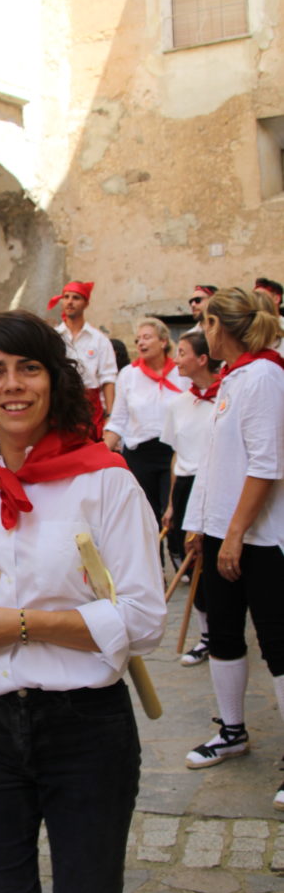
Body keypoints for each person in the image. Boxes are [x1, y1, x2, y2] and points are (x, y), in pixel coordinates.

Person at [0, 310, 166, 893]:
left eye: (28, 368)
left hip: (84, 727)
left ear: (55, 377)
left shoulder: (105, 482)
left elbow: (144, 619)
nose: (12, 385)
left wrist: (23, 626)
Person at [181, 288, 284, 811]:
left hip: (261, 538)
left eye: (206, 322)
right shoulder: (236, 377)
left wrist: (237, 532)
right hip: (225, 532)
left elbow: (267, 463)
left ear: (219, 325)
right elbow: (217, 463)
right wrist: (200, 525)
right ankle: (232, 731)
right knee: (222, 633)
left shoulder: (264, 375)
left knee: (278, 645)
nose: (203, 331)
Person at [160, 332, 221, 666]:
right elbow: (177, 457)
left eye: (182, 353)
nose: (176, 359)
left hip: (218, 483)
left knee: (221, 560)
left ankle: (228, 628)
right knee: (193, 561)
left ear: (202, 358)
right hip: (186, 487)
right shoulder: (177, 404)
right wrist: (172, 503)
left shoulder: (228, 396)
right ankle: (207, 634)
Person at [104, 317, 188, 534]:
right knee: (145, 519)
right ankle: (153, 557)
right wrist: (101, 454)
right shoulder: (129, 375)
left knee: (174, 517)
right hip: (140, 454)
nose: (140, 342)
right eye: (138, 339)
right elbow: (118, 420)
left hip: (174, 453)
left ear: (163, 341)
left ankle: (177, 553)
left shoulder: (181, 373)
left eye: (147, 337)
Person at [47, 280, 117, 439]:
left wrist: (110, 415)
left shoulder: (99, 340)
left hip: (90, 407)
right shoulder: (53, 338)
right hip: (60, 403)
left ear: (86, 303)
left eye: (76, 298)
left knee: (90, 447)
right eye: (66, 297)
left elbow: (108, 379)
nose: (70, 302)